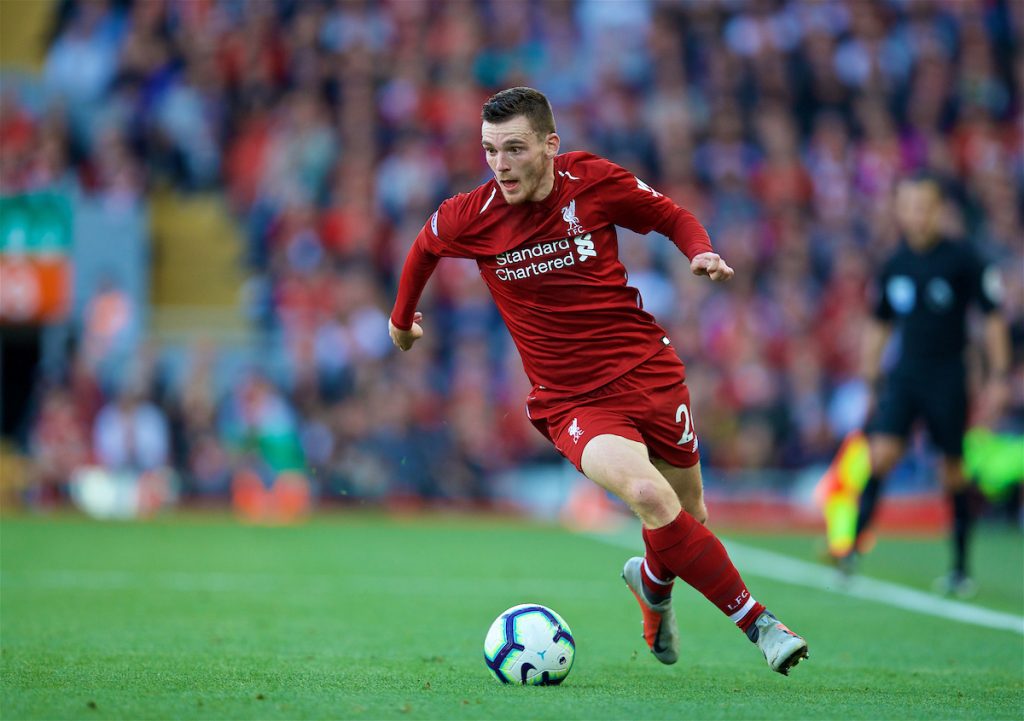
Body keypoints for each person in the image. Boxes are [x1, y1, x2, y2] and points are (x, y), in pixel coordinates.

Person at [388, 87, 808, 674]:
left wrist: (701, 251)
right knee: (647, 496)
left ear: (550, 145)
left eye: (514, 148)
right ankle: (760, 623)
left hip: (648, 370)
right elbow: (422, 249)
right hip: (573, 400)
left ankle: (653, 589)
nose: (500, 164)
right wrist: (401, 321)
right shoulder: (473, 215)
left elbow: (670, 216)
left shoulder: (592, 181)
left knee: (688, 515)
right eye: (489, 150)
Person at [845, 174, 1010, 595]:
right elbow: (879, 322)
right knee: (880, 455)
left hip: (949, 375)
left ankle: (959, 567)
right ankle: (851, 551)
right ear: (899, 210)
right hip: (906, 373)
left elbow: (991, 318)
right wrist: (869, 375)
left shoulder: (964, 258)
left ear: (939, 210)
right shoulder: (894, 263)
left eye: (924, 206)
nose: (916, 214)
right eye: (909, 206)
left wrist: (998, 376)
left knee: (951, 471)